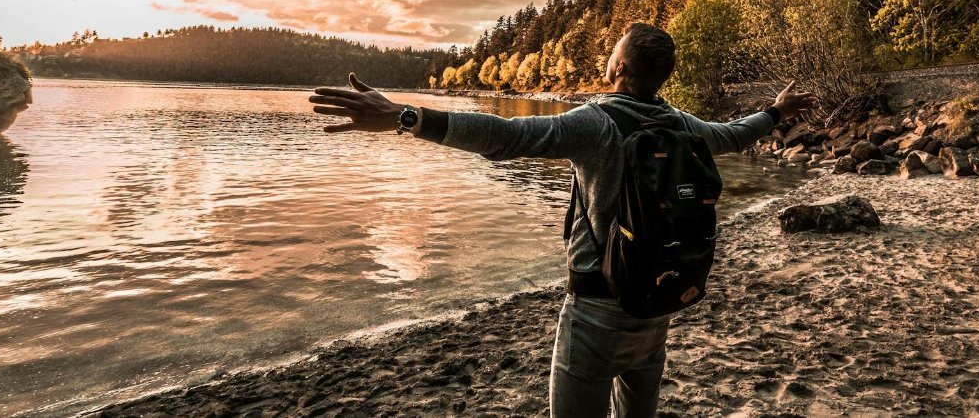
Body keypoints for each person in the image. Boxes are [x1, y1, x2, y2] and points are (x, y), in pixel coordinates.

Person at [308, 22, 817, 418]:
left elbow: (506, 137)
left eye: (612, 52)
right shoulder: (682, 125)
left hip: (597, 311)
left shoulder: (594, 124)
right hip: (660, 298)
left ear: (618, 67)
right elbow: (734, 135)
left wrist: (407, 116)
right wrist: (774, 113)